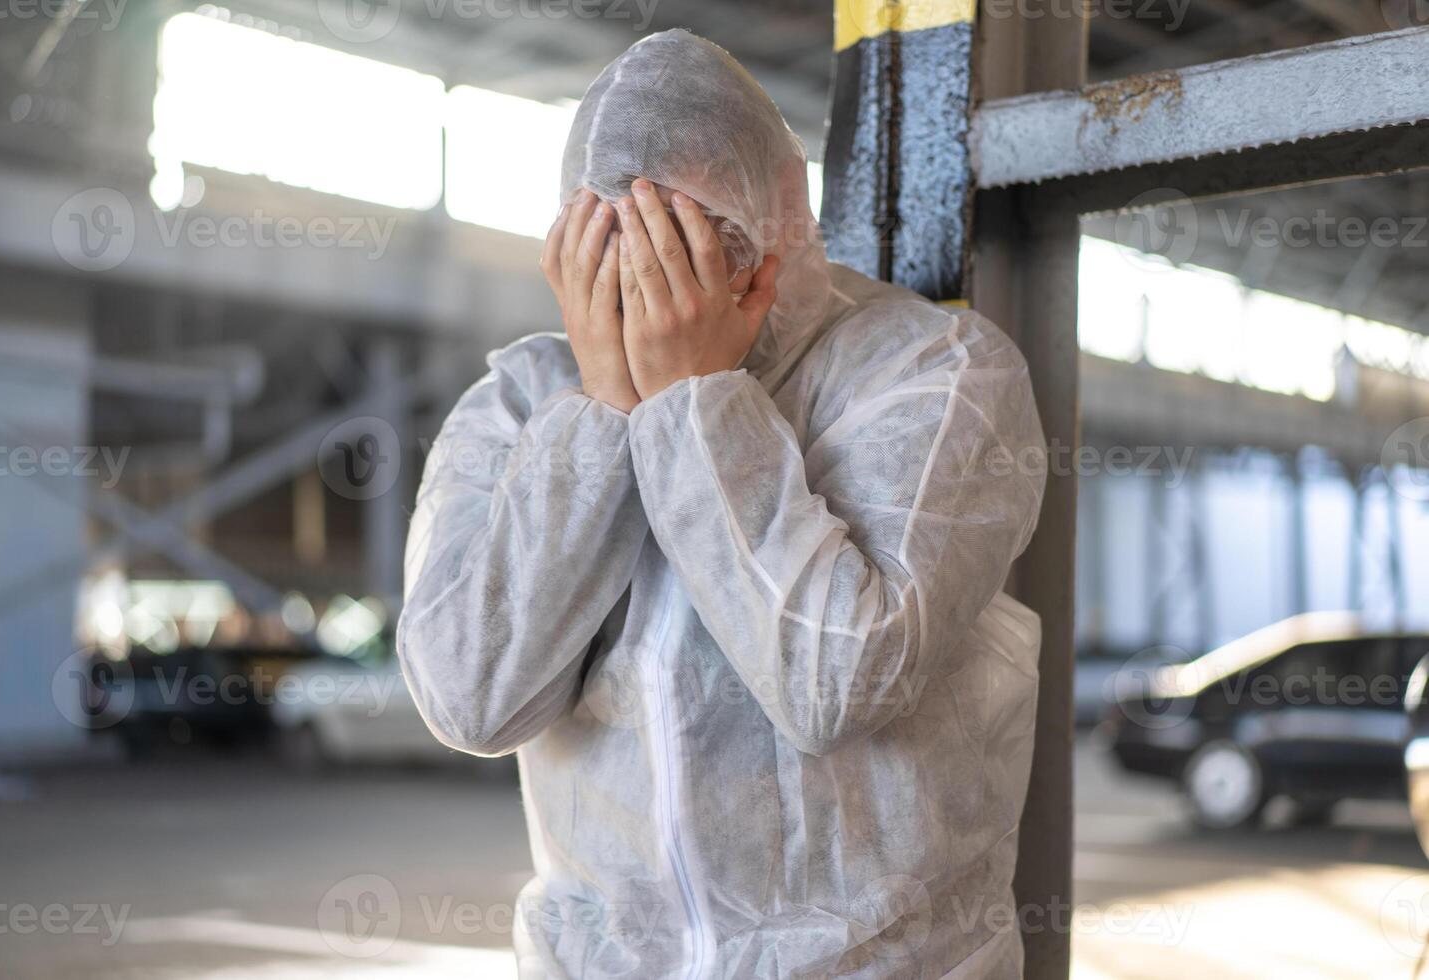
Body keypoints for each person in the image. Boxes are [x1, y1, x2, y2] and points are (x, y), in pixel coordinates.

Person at [398, 29, 1046, 980]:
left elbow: (834, 681)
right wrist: (605, 413)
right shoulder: (521, 402)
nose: (657, 294)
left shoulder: (933, 376)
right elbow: (471, 699)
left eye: (694, 249)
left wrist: (693, 408)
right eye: (622, 254)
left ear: (781, 233)